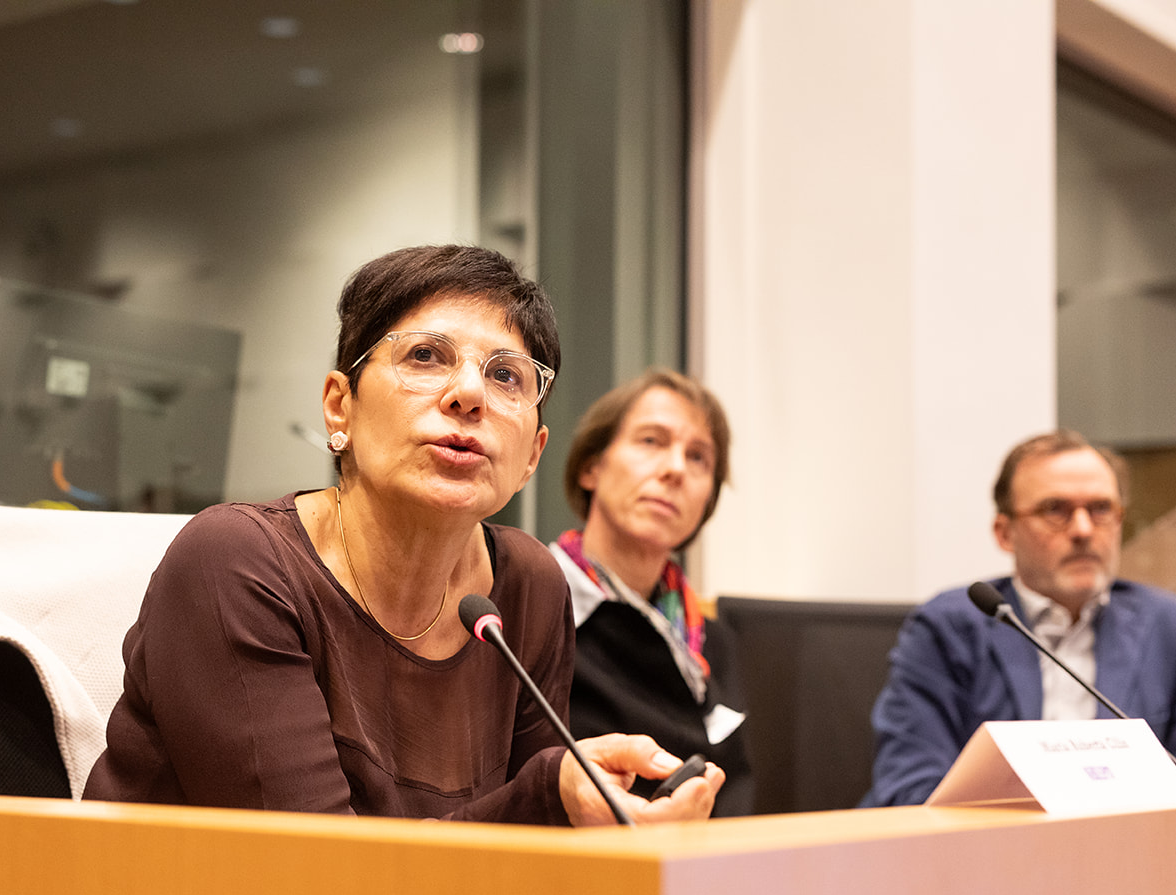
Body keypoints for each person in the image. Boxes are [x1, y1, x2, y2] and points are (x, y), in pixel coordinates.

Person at [83, 245, 724, 825]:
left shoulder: (528, 587)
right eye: (425, 356)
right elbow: (318, 877)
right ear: (340, 405)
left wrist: (601, 825)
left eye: (506, 375)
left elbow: (530, 870)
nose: (469, 394)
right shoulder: (236, 561)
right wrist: (548, 796)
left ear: (532, 454)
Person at [866, 430, 1176, 806]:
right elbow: (910, 787)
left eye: (1101, 509)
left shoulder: (1171, 626)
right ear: (1005, 533)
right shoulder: (948, 626)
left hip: (1126, 837)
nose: (1083, 530)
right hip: (990, 838)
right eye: (1055, 510)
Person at [550, 371, 750, 816]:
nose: (675, 469)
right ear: (591, 467)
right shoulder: (533, 607)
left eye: (698, 457)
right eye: (651, 441)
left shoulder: (712, 641)